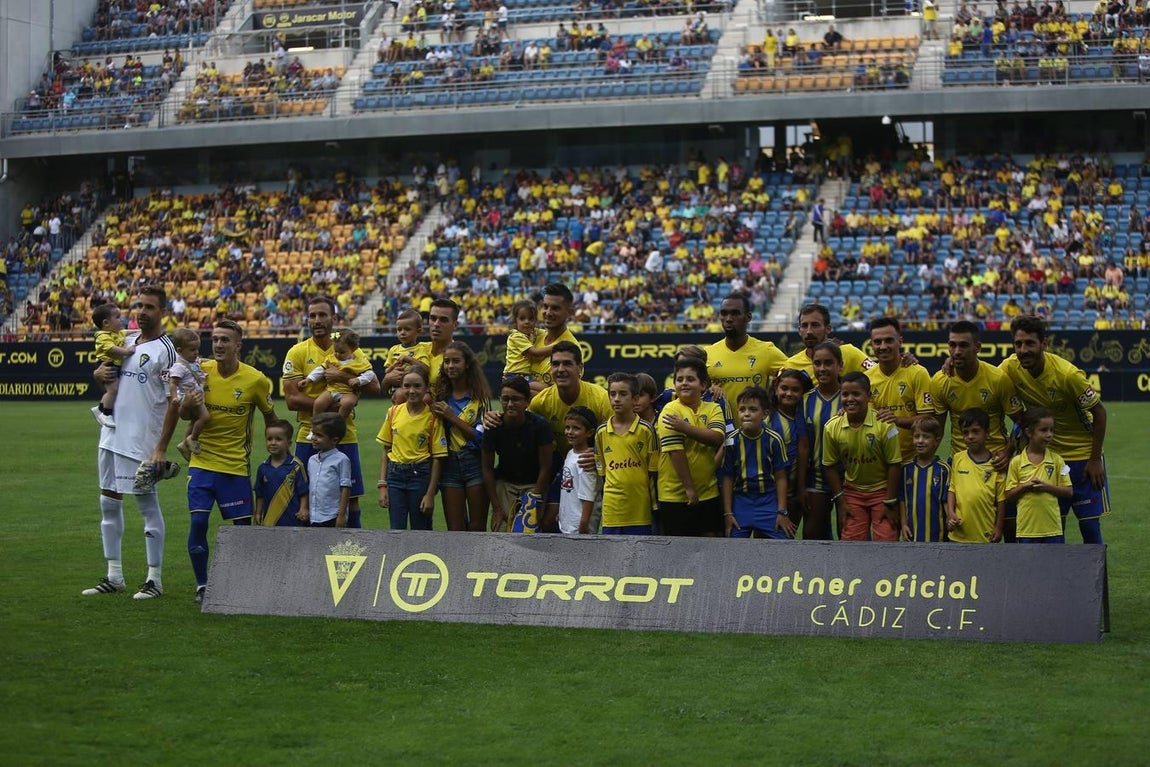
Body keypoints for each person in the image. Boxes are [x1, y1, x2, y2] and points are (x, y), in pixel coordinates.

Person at [83, 286, 179, 600]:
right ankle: (114, 576)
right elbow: (111, 378)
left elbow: (173, 402)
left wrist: (161, 447)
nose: (142, 311)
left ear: (162, 311)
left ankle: (154, 579)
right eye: (139, 305)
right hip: (110, 435)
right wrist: (100, 377)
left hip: (141, 441)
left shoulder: (167, 350)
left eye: (149, 307)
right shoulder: (123, 340)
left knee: (146, 505)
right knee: (107, 503)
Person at [185, 319, 277, 604]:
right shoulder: (200, 371)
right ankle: (203, 585)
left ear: (238, 345)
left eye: (225, 340)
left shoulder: (256, 380)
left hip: (235, 466)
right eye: (215, 339)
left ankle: (242, 582)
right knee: (198, 522)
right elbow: (184, 414)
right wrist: (188, 402)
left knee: (242, 531)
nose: (219, 345)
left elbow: (270, 418)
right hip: (201, 463)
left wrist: (277, 452)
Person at [1000, 315, 1110, 544]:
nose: (1023, 350)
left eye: (1030, 343)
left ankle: (1098, 580)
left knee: (1090, 528)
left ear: (1044, 344)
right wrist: (949, 363)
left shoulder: (1067, 375)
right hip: (1046, 458)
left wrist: (1094, 459)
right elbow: (986, 376)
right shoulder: (1010, 367)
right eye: (1018, 344)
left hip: (1082, 458)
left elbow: (1099, 412)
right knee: (1051, 530)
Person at [282, 296, 379, 528]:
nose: (317, 320)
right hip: (309, 434)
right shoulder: (297, 352)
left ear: (334, 318)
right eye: (313, 315)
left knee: (351, 499)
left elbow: (375, 387)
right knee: (304, 497)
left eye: (323, 315)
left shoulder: (352, 351)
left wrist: (342, 377)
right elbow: (292, 399)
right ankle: (307, 556)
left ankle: (353, 551)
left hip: (345, 434)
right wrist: (330, 407)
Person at [525, 341, 613, 528]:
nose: (560, 369)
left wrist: (598, 457)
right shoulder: (541, 402)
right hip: (562, 463)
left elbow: (617, 437)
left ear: (580, 368)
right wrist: (495, 417)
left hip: (595, 468)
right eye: (555, 364)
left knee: (588, 524)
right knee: (549, 520)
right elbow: (524, 429)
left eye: (567, 363)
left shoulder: (600, 398)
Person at [822, 372, 902, 542]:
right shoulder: (831, 427)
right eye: (845, 394)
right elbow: (829, 465)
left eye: (856, 394)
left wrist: (890, 500)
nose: (850, 399)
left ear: (868, 395)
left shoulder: (886, 425)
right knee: (852, 544)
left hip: (882, 492)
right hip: (853, 492)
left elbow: (894, 465)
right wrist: (840, 500)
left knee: (887, 541)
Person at [931, 320, 1022, 470]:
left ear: (977, 347)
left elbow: (1020, 422)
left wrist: (1008, 452)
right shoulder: (940, 381)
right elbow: (937, 429)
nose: (957, 351)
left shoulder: (998, 378)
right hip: (959, 462)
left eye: (963, 345)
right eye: (952, 345)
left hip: (995, 461)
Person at [657, 357, 727, 537]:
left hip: (709, 492)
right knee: (677, 552)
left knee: (711, 544)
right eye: (679, 380)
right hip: (675, 496)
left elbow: (717, 438)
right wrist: (690, 489)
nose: (684, 383)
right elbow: (675, 452)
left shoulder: (713, 408)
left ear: (703, 385)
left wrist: (685, 428)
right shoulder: (669, 410)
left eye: (690, 379)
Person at [376, 363, 447, 531]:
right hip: (395, 477)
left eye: (417, 386)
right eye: (406, 386)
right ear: (401, 387)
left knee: (420, 529)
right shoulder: (394, 412)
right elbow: (386, 449)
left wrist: (430, 494)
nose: (412, 391)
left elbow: (438, 458)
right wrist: (382, 485)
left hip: (420, 477)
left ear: (426, 388)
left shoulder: (433, 418)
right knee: (396, 529)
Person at [431, 341, 491, 532]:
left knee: (477, 526)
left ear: (467, 364)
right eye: (446, 361)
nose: (450, 366)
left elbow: (482, 439)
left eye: (455, 361)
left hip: (475, 464)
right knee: (455, 529)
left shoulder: (480, 398)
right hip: (449, 466)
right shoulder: (440, 396)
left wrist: (451, 416)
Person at [482, 376, 554, 532]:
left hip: (534, 484)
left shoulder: (540, 426)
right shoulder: (493, 426)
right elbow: (487, 469)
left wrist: (536, 502)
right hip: (505, 484)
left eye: (515, 399)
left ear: (527, 401)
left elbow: (546, 467)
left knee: (528, 531)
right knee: (501, 529)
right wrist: (496, 507)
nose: (509, 404)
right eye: (505, 399)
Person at [722, 386, 794, 539]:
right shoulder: (731, 440)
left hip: (767, 500)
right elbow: (727, 477)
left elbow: (781, 476)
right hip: (741, 501)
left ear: (765, 414)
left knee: (785, 541)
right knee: (732, 544)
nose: (746, 414)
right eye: (742, 409)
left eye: (753, 409)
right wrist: (728, 513)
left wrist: (782, 511)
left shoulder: (774, 439)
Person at [594, 373, 657, 535]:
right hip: (611, 512)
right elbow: (602, 473)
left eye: (623, 394)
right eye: (612, 394)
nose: (616, 399)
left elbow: (653, 472)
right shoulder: (601, 432)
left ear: (635, 399)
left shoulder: (646, 430)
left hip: (640, 511)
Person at [865, 318, 932, 463]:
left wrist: (897, 420)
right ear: (871, 345)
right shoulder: (866, 379)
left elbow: (927, 418)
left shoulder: (918, 373)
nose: (883, 346)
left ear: (900, 342)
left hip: (914, 461)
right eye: (877, 342)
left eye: (889, 340)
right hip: (880, 461)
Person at [1005, 406, 1074, 544]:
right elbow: (1009, 495)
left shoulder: (1058, 461)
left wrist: (1046, 487)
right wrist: (1024, 487)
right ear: (1029, 432)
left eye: (1051, 430)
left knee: (1053, 565)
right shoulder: (1016, 462)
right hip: (1026, 531)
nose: (1049, 434)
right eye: (1043, 430)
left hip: (1053, 530)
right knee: (1028, 566)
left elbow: (1069, 491)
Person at [705, 293, 786, 406]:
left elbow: (794, 375)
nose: (728, 319)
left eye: (735, 313)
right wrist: (709, 388)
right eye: (724, 313)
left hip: (756, 423)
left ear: (748, 317)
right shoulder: (708, 353)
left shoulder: (766, 350)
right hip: (719, 423)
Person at [800, 341, 843, 540]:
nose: (822, 368)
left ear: (840, 366)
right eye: (817, 363)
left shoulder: (852, 397)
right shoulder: (805, 400)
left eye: (828, 363)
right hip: (815, 479)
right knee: (813, 537)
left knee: (849, 537)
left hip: (849, 480)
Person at [947, 408, 1006, 544]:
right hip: (959, 535)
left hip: (985, 534)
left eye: (975, 431)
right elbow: (952, 489)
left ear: (987, 433)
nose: (970, 436)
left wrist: (998, 527)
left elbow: (1001, 500)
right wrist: (950, 513)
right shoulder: (958, 458)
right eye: (965, 432)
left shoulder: (996, 464)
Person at [769, 368, 811, 530]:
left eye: (795, 390)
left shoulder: (802, 416)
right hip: (770, 494)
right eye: (784, 388)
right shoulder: (768, 418)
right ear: (776, 389)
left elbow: (803, 452)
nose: (789, 393)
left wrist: (801, 488)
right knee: (766, 538)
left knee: (788, 537)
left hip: (794, 491)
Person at [781, 303, 870, 378]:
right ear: (799, 331)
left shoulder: (849, 353)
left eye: (815, 325)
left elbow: (877, 375)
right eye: (804, 326)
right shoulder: (791, 365)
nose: (809, 331)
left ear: (828, 329)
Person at [307, 327, 374, 425]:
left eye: (342, 352)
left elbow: (369, 374)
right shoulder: (331, 358)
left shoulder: (359, 361)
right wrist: (309, 379)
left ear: (353, 349)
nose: (337, 354)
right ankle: (314, 426)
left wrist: (359, 380)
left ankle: (339, 424)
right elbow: (320, 369)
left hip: (348, 391)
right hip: (331, 390)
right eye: (335, 351)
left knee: (347, 403)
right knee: (318, 403)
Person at [899, 415, 950, 542]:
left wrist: (950, 519)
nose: (920, 441)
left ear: (936, 441)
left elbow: (946, 501)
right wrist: (903, 524)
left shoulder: (943, 469)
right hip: (912, 534)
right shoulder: (906, 469)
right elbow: (902, 500)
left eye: (926, 437)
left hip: (938, 537)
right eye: (917, 436)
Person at [253, 419, 309, 527]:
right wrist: (258, 513)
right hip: (269, 520)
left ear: (288, 443)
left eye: (278, 439)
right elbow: (259, 494)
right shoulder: (263, 468)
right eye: (269, 439)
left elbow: (304, 491)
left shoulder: (296, 466)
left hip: (292, 519)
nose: (273, 443)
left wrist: (303, 509)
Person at [526, 283, 579, 391]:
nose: (548, 313)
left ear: (570, 312)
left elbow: (562, 392)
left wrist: (524, 386)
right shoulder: (534, 337)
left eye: (555, 308)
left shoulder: (572, 348)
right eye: (545, 307)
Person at [168, 328, 210, 461]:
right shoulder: (179, 366)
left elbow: (199, 363)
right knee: (205, 417)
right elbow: (173, 383)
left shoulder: (192, 361)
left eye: (197, 349)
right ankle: (192, 439)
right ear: (180, 350)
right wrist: (174, 397)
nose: (196, 353)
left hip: (195, 395)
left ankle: (184, 444)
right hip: (190, 397)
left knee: (195, 420)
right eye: (192, 350)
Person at [90, 302, 134, 428]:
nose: (122, 320)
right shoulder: (103, 336)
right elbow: (111, 349)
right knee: (113, 390)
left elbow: (128, 332)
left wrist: (140, 331)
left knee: (112, 390)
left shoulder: (117, 333)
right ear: (106, 323)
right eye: (118, 317)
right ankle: (106, 414)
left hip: (114, 365)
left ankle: (99, 409)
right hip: (108, 365)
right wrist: (127, 352)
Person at [307, 413, 353, 528]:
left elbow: (345, 488)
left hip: (331, 516)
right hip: (314, 516)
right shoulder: (312, 460)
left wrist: (341, 516)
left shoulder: (341, 459)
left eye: (319, 435)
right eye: (313, 434)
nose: (314, 438)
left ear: (334, 440)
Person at [561, 406, 601, 534]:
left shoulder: (586, 461)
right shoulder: (570, 454)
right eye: (567, 427)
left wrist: (583, 525)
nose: (570, 432)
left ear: (589, 433)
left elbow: (588, 498)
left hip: (580, 529)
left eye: (576, 428)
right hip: (568, 524)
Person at [383, 309, 429, 397]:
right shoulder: (394, 349)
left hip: (416, 388)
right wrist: (392, 370)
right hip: (398, 387)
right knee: (399, 394)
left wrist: (409, 359)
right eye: (399, 329)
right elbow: (387, 371)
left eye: (407, 329)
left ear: (418, 331)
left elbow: (426, 370)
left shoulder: (422, 349)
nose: (402, 333)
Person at [503, 298, 541, 380]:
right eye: (522, 318)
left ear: (535, 320)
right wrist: (555, 347)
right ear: (515, 320)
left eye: (531, 319)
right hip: (514, 375)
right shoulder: (516, 336)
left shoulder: (533, 332)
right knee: (544, 388)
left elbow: (547, 332)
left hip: (526, 375)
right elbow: (534, 352)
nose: (527, 322)